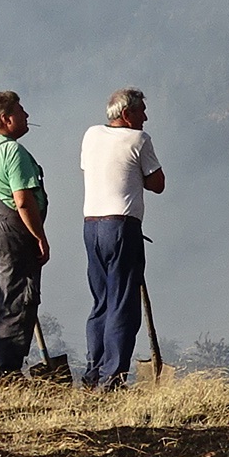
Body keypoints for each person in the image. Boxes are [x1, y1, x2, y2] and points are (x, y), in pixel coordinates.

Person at [79, 88, 166, 389]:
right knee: (123, 305)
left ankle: (94, 372)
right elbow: (158, 183)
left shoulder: (90, 135)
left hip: (91, 226)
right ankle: (112, 378)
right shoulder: (139, 140)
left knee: (101, 301)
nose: (146, 116)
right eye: (141, 110)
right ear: (127, 114)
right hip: (122, 226)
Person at [0, 90, 51, 383]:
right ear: (6, 119)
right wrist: (39, 236)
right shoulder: (11, 152)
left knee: (3, 297)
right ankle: (7, 373)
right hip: (13, 229)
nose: (27, 116)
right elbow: (23, 200)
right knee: (21, 299)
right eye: (21, 112)